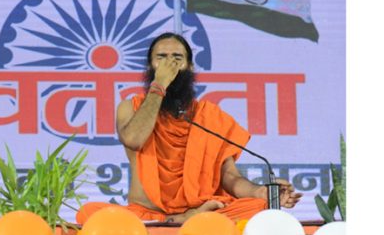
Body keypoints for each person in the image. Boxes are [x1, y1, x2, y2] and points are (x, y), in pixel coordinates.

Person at [77, 32, 301, 224]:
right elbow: (134, 138)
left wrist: (260, 191)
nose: (170, 64)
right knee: (89, 214)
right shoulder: (130, 107)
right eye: (161, 58)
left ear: (190, 66)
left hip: (200, 211)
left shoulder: (210, 116)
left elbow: (230, 177)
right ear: (150, 66)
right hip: (147, 215)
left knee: (257, 207)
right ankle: (181, 221)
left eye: (177, 58)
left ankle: (193, 217)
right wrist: (160, 84)